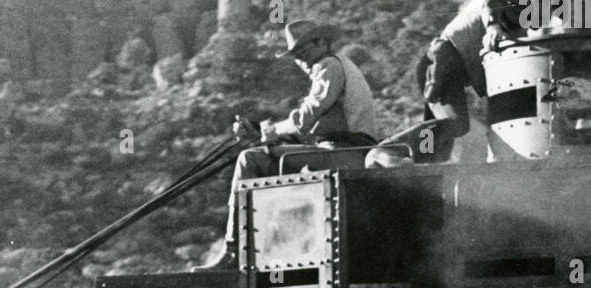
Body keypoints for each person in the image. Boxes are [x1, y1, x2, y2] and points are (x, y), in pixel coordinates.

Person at [196, 21, 378, 270]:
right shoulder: (337, 67)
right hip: (341, 150)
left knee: (250, 160)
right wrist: (261, 130)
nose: (301, 58)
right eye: (296, 54)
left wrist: (267, 132)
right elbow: (312, 128)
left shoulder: (329, 66)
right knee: (264, 159)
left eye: (304, 49)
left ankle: (233, 251)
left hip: (344, 153)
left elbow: (306, 118)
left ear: (322, 43)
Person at [413, 1, 492, 162]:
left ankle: (423, 165)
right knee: (455, 124)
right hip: (440, 66)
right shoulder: (491, 5)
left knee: (440, 144)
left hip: (444, 66)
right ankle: (393, 147)